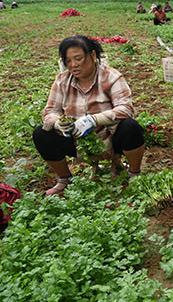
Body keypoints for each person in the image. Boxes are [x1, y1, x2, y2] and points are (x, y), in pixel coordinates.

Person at [32, 35, 145, 196]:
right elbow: (50, 111)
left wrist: (93, 119)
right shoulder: (62, 81)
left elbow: (125, 108)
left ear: (92, 55)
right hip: (76, 141)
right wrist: (58, 123)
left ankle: (134, 173)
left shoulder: (111, 77)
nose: (73, 65)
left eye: (78, 58)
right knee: (41, 134)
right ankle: (65, 179)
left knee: (131, 127)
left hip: (111, 139)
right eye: (68, 60)